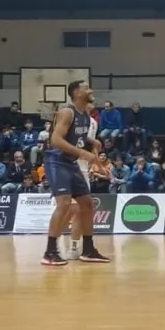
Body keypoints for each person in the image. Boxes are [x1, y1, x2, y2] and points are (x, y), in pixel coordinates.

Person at [42, 80, 109, 265]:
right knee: (64, 204)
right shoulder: (67, 112)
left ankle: (88, 250)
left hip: (70, 163)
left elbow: (76, 136)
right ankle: (49, 252)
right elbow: (56, 139)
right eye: (86, 88)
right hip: (56, 161)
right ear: (77, 93)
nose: (91, 90)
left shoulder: (86, 116)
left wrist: (91, 141)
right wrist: (82, 153)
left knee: (87, 204)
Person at [61, 101, 100, 260]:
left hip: (82, 168)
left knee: (80, 210)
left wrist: (95, 162)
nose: (91, 103)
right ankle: (54, 244)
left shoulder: (93, 123)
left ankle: (75, 246)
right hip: (64, 166)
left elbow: (92, 146)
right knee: (64, 209)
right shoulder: (68, 117)